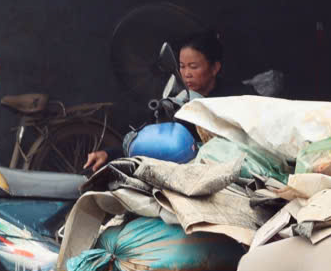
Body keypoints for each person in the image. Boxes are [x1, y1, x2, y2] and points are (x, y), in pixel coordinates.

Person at [84, 29, 243, 172]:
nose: (186, 74)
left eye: (193, 67)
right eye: (182, 66)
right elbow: (151, 138)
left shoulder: (236, 99)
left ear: (215, 68)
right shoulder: (177, 100)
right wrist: (108, 154)